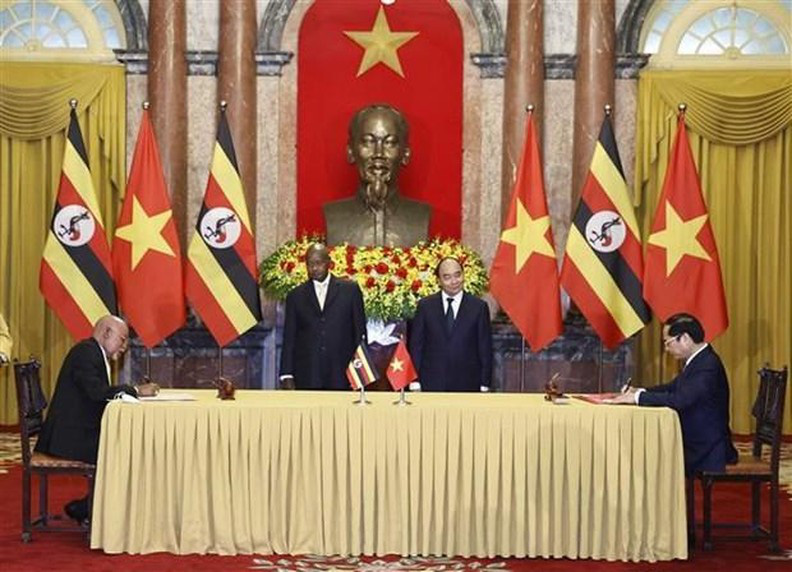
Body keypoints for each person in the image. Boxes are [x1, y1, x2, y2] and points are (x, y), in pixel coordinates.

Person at [34, 315, 159, 524]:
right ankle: (92, 508)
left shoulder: (92, 352)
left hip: (77, 429)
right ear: (106, 333)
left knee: (123, 444)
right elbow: (97, 393)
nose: (125, 346)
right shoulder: (85, 353)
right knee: (121, 448)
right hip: (68, 437)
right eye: (123, 339)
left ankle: (90, 507)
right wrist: (136, 390)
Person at [610, 313, 738, 476]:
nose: (666, 349)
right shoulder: (699, 360)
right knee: (646, 447)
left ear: (684, 338)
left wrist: (636, 398)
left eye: (668, 343)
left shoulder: (707, 365)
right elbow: (672, 388)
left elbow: (681, 400)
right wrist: (640, 391)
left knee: (648, 453)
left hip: (705, 446)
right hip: (696, 437)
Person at [323, 104, 431, 247]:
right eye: (368, 141)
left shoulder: (420, 216)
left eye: (389, 142)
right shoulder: (333, 215)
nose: (378, 153)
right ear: (350, 151)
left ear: (406, 153)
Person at [279, 243, 367, 390]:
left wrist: (360, 371)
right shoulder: (295, 296)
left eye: (318, 263)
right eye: (310, 264)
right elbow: (289, 337)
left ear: (329, 263)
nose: (314, 268)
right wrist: (286, 374)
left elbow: (360, 333)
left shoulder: (350, 291)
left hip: (343, 372)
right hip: (308, 373)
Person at [408, 257, 493, 392]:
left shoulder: (478, 307)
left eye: (457, 275)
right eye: (447, 277)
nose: (454, 281)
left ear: (464, 275)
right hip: (431, 382)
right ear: (439, 281)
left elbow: (485, 348)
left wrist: (485, 382)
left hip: (468, 383)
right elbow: (416, 346)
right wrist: (414, 380)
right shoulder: (425, 306)